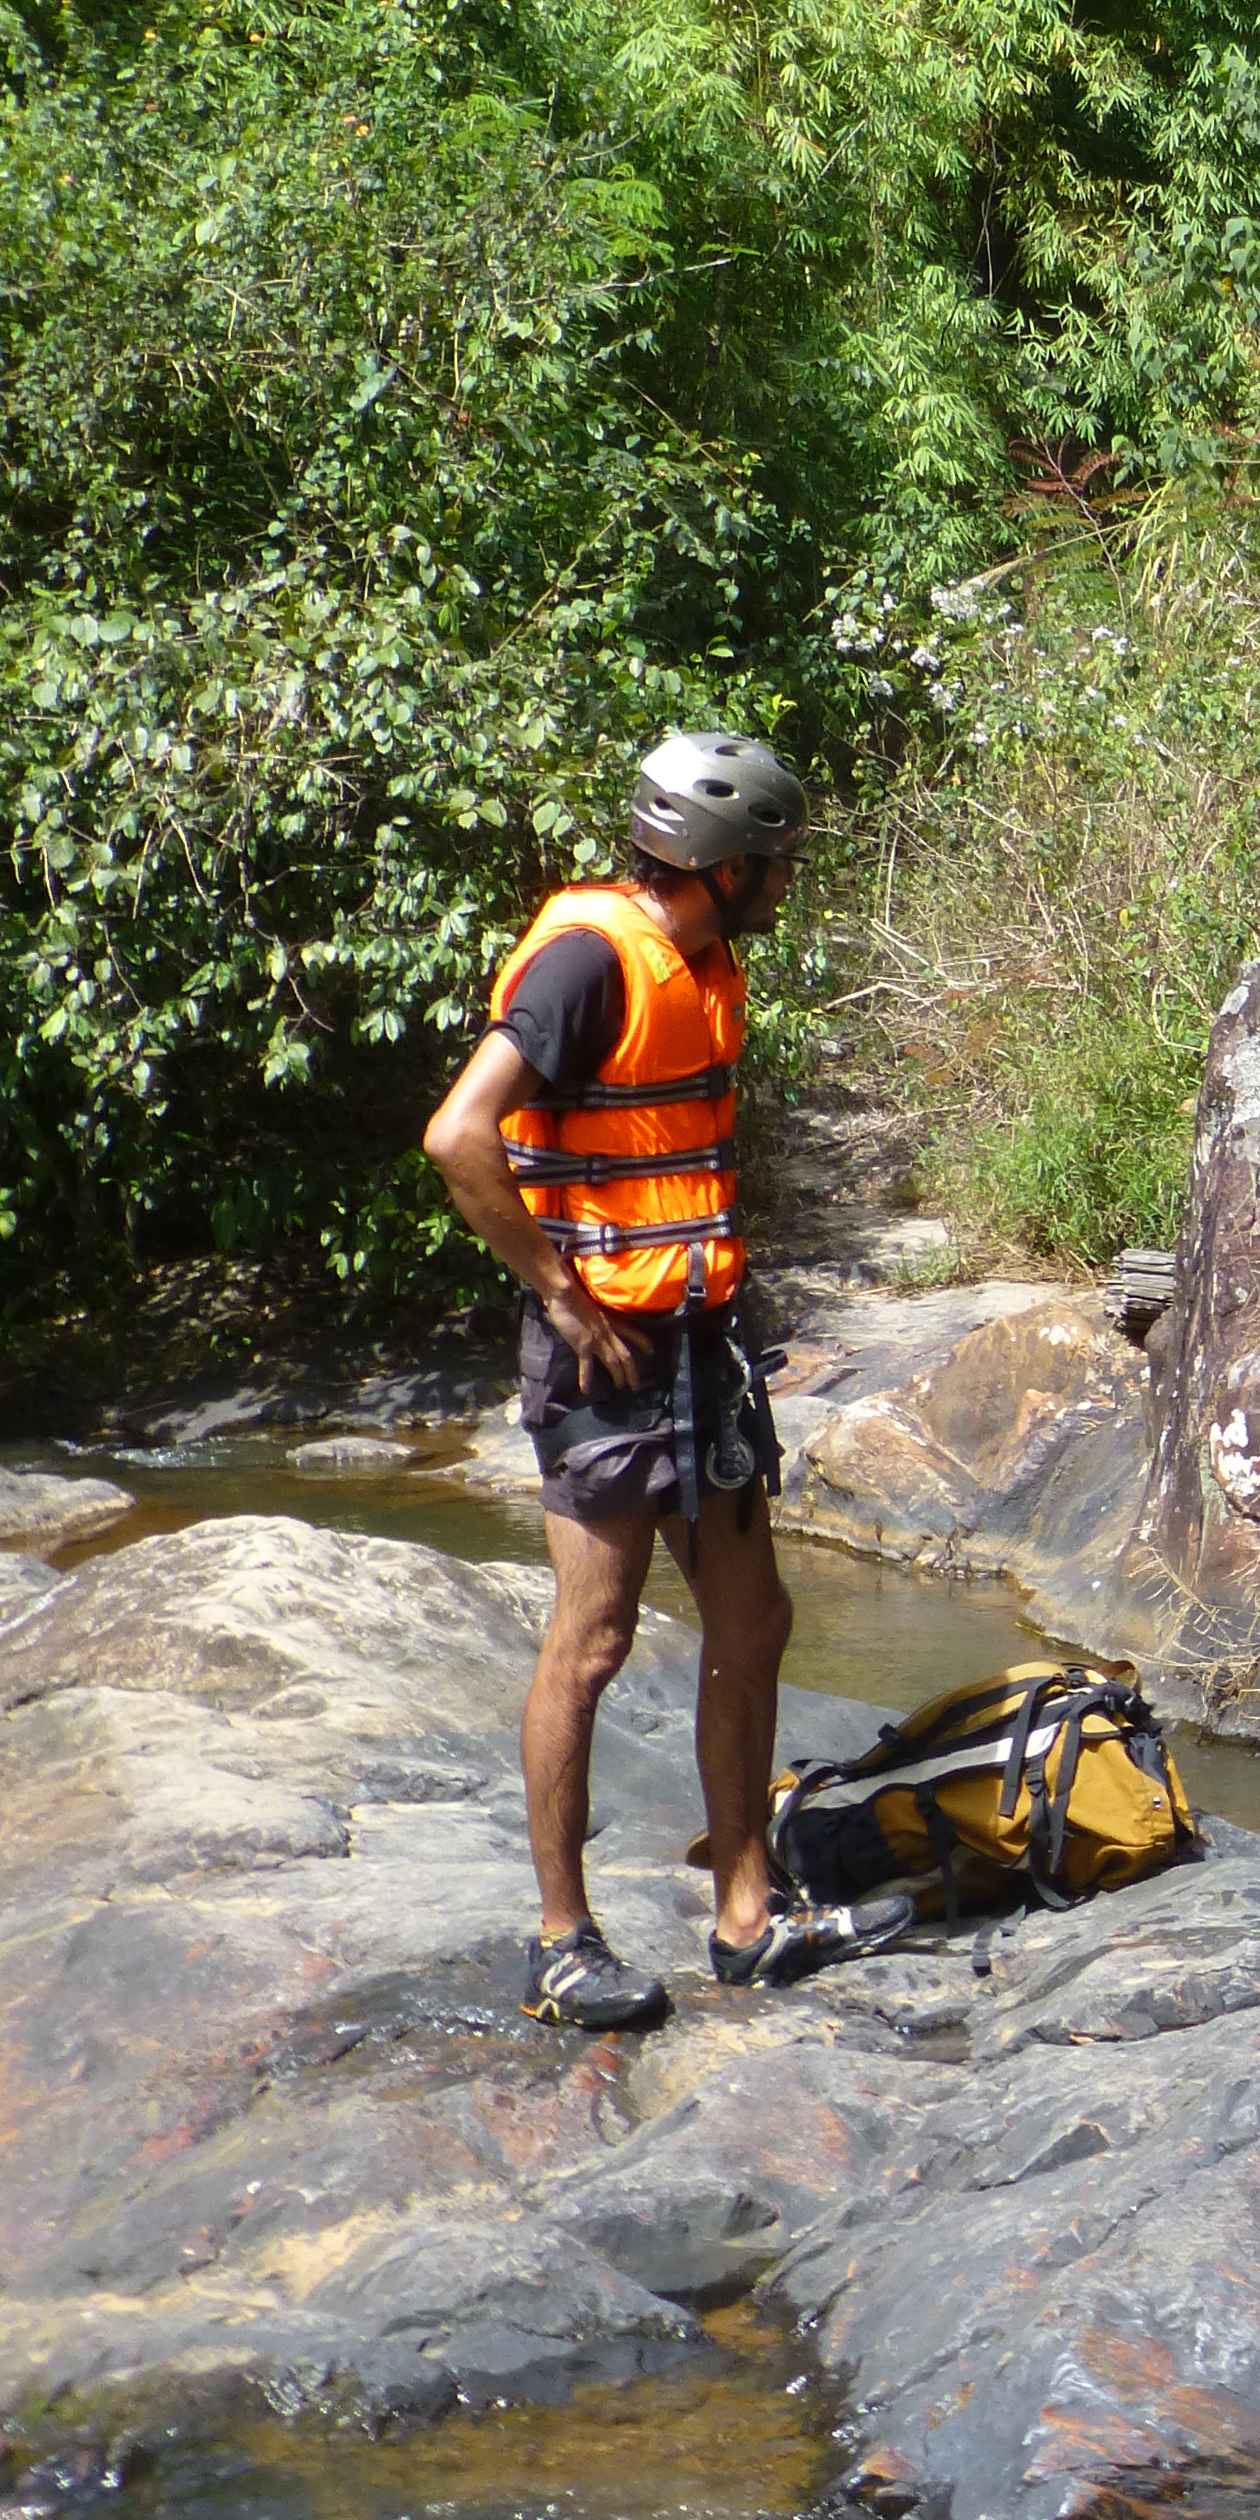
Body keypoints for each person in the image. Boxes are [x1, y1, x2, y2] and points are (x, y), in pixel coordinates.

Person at [419, 732, 911, 2031]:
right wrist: (560, 1293)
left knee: (753, 1624)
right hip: (605, 1356)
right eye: (778, 862)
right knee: (592, 1643)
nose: (788, 882)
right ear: (723, 864)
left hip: (700, 1344)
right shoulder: (590, 960)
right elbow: (458, 1135)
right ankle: (563, 1942)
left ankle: (747, 1918)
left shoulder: (709, 960)